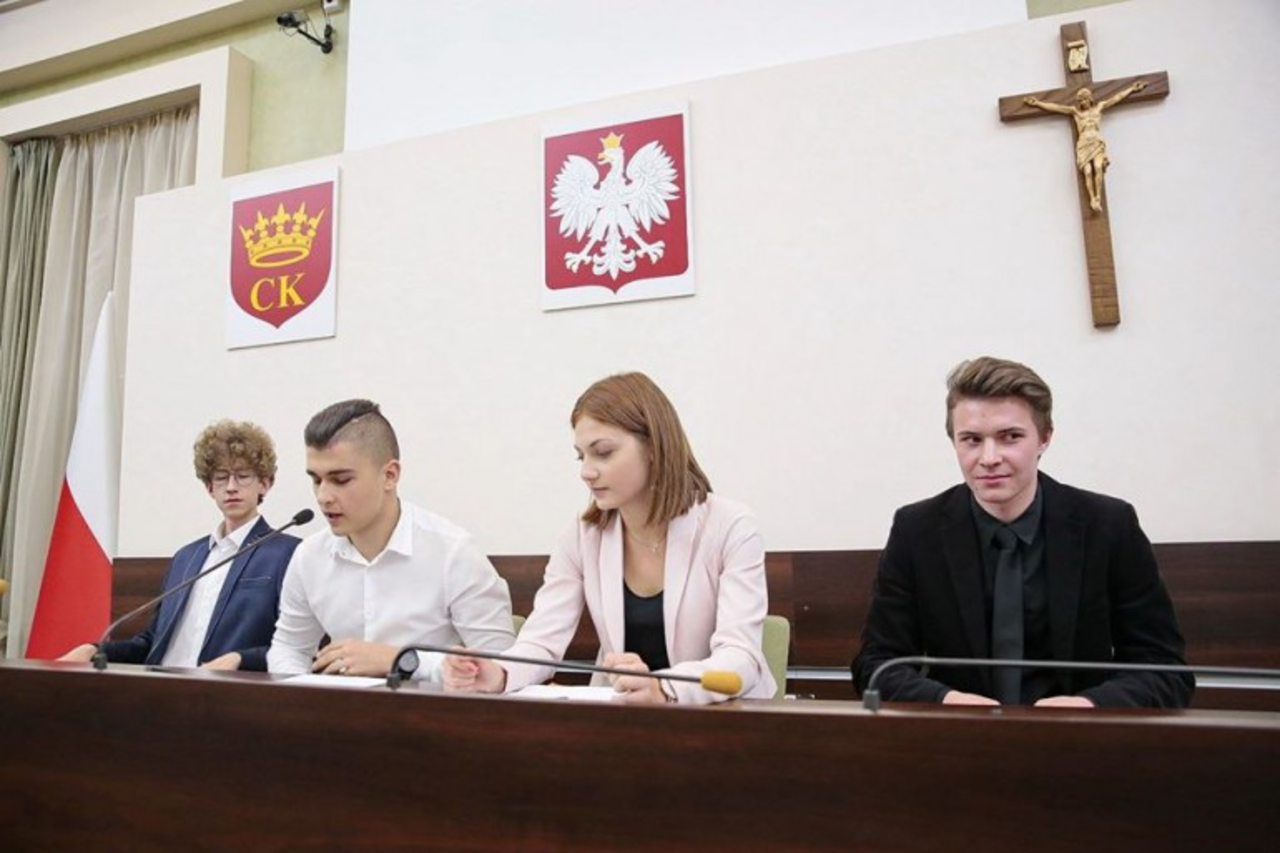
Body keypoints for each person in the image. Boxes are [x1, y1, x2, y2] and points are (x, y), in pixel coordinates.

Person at [851, 356, 1193, 708]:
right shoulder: (916, 530)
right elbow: (876, 665)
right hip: (959, 733)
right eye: (971, 440)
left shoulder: (1109, 525)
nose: (989, 458)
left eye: (1010, 437)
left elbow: (1165, 669)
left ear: (1045, 438)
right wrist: (946, 701)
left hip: (1079, 733)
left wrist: (1089, 706)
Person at [444, 372, 775, 704]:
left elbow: (740, 657)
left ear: (654, 448)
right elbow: (541, 642)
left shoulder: (730, 526)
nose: (586, 472)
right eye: (581, 456)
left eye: (603, 452)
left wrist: (664, 688)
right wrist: (499, 673)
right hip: (621, 715)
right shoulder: (581, 535)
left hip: (722, 716)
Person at [267, 399, 514, 681]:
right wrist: (302, 695)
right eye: (316, 480)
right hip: (339, 706)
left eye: (341, 480)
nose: (323, 496)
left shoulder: (453, 552)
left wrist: (402, 661)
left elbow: (502, 666)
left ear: (390, 475)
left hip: (431, 707)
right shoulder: (309, 556)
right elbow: (289, 647)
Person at [59, 420, 299, 670]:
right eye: (221, 477)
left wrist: (240, 659)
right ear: (209, 488)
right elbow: (151, 643)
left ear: (265, 483)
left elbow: (297, 648)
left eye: (243, 476)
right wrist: (96, 650)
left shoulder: (287, 553)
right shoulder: (186, 557)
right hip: (162, 685)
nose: (230, 487)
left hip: (223, 688)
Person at [1024, 80, 1147, 213]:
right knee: (1087, 172)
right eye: (1080, 100)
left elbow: (1116, 98)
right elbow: (1056, 107)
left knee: (1098, 167)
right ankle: (1092, 198)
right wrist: (1038, 103)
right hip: (1083, 143)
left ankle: (1098, 196)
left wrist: (1131, 89)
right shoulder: (1076, 112)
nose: (1083, 102)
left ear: (1090, 98)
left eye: (1084, 99)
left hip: (1096, 141)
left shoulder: (1099, 108)